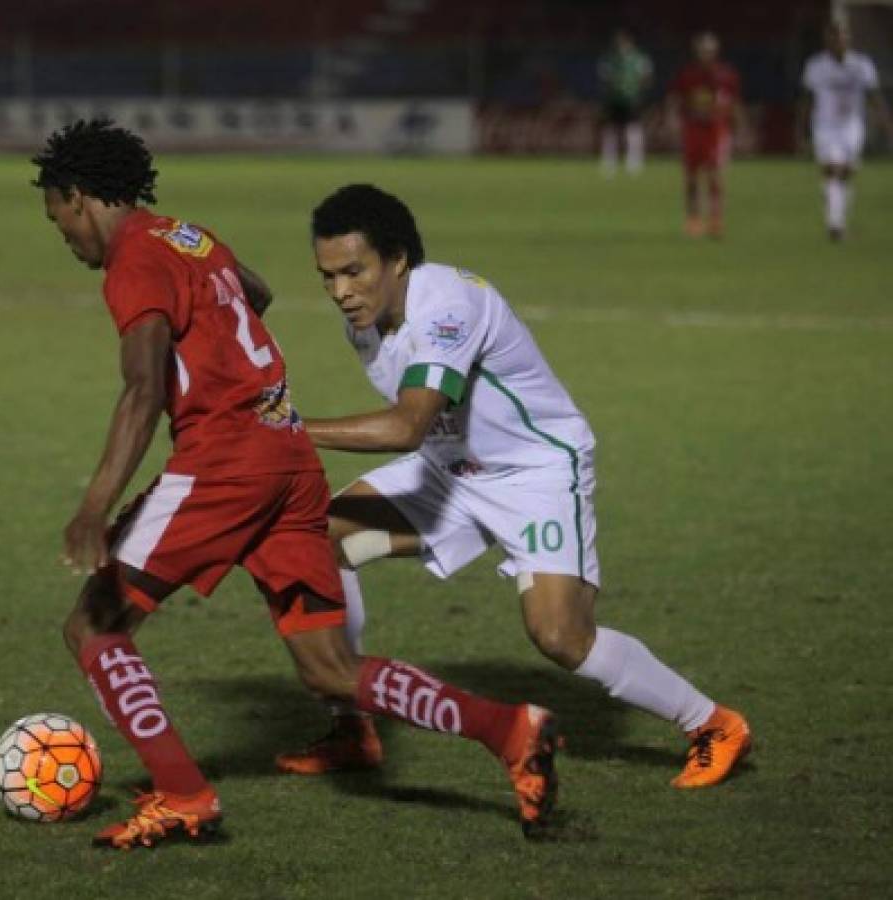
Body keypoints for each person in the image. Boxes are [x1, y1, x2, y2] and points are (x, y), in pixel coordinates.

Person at [31, 119, 563, 848]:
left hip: (225, 462)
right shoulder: (187, 237)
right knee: (329, 670)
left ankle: (183, 794)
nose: (65, 237)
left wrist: (94, 506)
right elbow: (256, 289)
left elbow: (141, 387)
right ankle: (507, 729)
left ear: (79, 196)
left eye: (60, 220)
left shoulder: (132, 260)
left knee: (92, 624)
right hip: (288, 459)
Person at [273, 184, 752, 793]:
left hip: (534, 473)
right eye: (327, 277)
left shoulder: (446, 305)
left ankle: (713, 724)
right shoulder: (368, 321)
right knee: (316, 541)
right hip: (449, 471)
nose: (340, 292)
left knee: (561, 636)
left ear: (397, 261)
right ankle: (351, 725)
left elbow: (405, 425)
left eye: (353, 271)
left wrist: (283, 430)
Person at [798, 20, 893, 241]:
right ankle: (835, 226)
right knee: (834, 169)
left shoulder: (861, 65)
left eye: (841, 36)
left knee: (846, 174)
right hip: (825, 125)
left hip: (852, 126)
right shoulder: (816, 66)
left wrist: (886, 121)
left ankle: (835, 211)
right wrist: (801, 130)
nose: (838, 41)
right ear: (827, 40)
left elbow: (873, 95)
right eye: (833, 37)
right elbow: (806, 99)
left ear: (848, 39)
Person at [667, 33, 742, 238]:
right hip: (692, 130)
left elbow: (734, 104)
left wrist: (737, 127)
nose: (706, 54)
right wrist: (672, 119)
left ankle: (716, 219)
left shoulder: (726, 75)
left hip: (716, 131)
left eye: (709, 50)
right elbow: (675, 98)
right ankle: (693, 219)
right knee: (691, 177)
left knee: (715, 175)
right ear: (696, 52)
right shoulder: (688, 75)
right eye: (702, 50)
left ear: (716, 52)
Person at [597, 30, 653, 176]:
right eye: (618, 43)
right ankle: (610, 160)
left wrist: (638, 91)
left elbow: (646, 77)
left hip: (631, 99)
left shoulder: (639, 59)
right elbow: (604, 78)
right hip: (614, 99)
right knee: (610, 130)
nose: (620, 45)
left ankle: (634, 161)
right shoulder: (610, 59)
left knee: (633, 130)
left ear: (630, 43)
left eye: (623, 42)